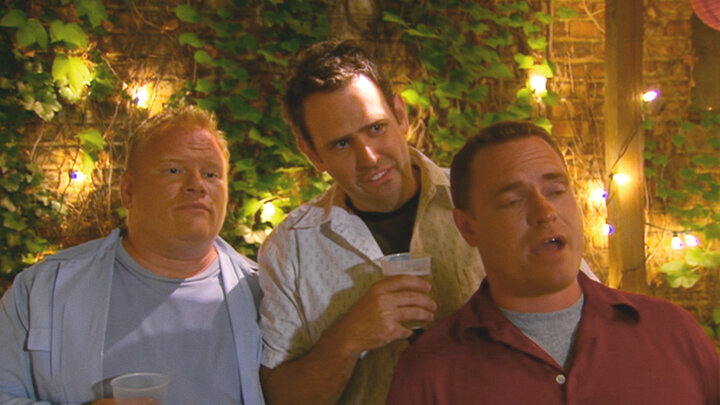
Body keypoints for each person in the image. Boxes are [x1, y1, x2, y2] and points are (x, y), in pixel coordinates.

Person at [257, 41, 597, 404]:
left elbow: (589, 315)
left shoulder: (486, 202)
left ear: (400, 115)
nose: (369, 157)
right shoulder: (292, 247)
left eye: (376, 128)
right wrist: (348, 338)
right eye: (341, 144)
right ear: (312, 154)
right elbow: (282, 398)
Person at [385, 121, 720, 404]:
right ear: (468, 227)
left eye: (556, 191)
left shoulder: (671, 331)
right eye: (513, 200)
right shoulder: (431, 372)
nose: (545, 212)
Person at [0, 106, 265, 404]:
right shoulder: (41, 290)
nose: (197, 185)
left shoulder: (265, 295)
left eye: (211, 174)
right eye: (174, 170)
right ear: (128, 190)